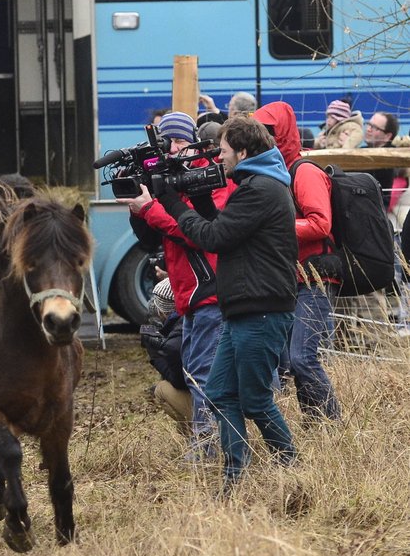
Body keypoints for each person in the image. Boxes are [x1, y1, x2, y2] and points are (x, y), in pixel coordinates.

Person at [158, 116, 299, 490]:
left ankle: (292, 466)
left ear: (243, 151)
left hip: (262, 310)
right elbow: (230, 229)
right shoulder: (255, 185)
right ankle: (235, 476)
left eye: (222, 152)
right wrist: (202, 201)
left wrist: (173, 203)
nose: (218, 159)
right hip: (243, 309)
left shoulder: (261, 189)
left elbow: (215, 237)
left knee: (255, 401)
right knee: (220, 393)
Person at [120, 111, 232, 460]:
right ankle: (219, 443)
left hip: (211, 291)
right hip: (189, 295)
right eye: (168, 142)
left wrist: (153, 207)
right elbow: (155, 237)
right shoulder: (168, 178)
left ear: (194, 141)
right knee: (197, 369)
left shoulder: (210, 178)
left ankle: (208, 448)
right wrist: (139, 207)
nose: (174, 149)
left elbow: (199, 233)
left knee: (203, 371)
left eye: (181, 141)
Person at [254, 101, 342, 422]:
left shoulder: (304, 172)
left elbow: (321, 224)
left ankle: (332, 425)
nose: (262, 140)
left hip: (318, 274)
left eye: (269, 133)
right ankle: (315, 426)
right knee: (291, 363)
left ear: (283, 135)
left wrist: (273, 225)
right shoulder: (274, 175)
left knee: (303, 358)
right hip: (293, 277)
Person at [142, 278, 191, 436]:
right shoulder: (196, 315)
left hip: (211, 406)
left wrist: (156, 354)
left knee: (161, 390)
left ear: (163, 310)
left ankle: (197, 434)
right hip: (227, 400)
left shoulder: (180, 330)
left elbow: (179, 381)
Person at [362, 111, 399, 209]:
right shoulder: (362, 151)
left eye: (375, 127)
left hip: (375, 213)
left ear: (387, 136)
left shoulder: (391, 157)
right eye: (368, 124)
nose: (368, 129)